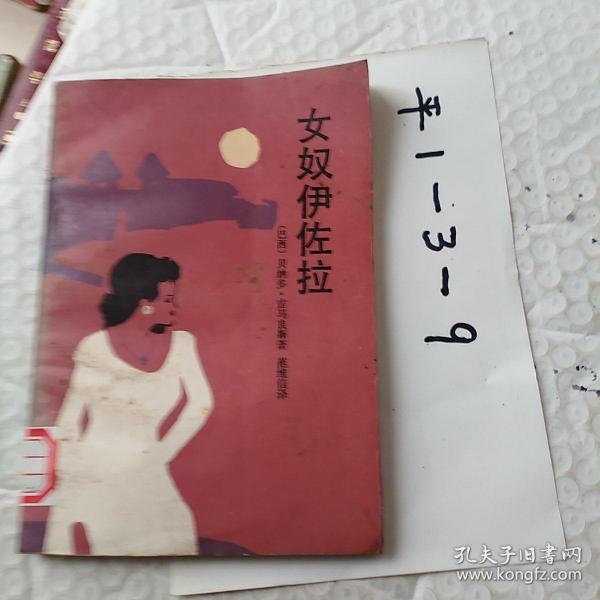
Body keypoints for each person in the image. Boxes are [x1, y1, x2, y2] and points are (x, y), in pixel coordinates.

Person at [43, 253, 213, 555]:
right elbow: (69, 420)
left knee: (177, 531)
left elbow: (202, 403)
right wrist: (73, 475)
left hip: (148, 466)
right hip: (95, 469)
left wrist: (161, 455)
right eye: (168, 300)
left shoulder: (183, 345)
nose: (175, 307)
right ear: (144, 303)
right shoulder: (94, 347)